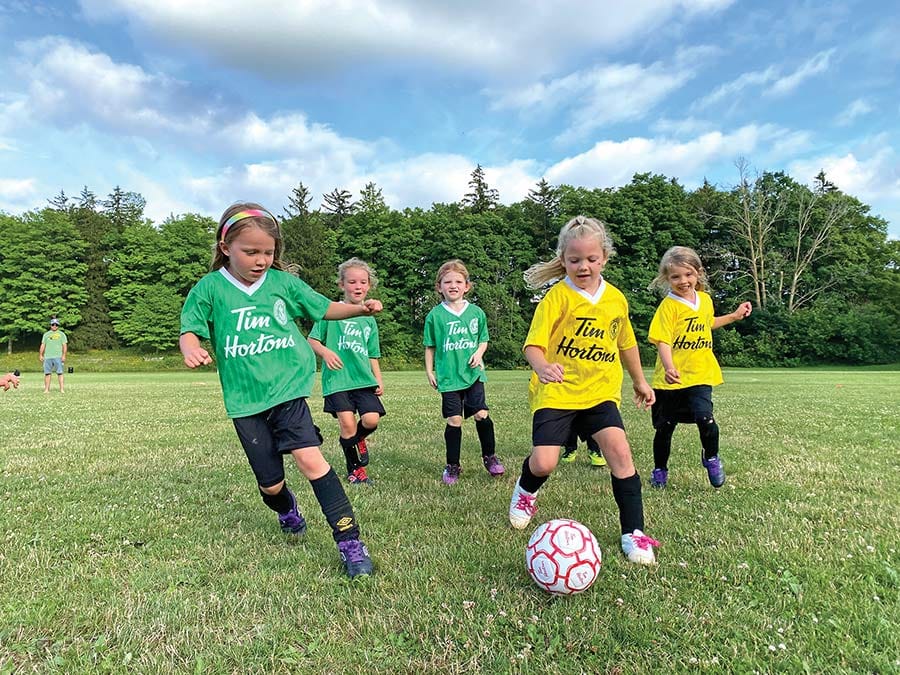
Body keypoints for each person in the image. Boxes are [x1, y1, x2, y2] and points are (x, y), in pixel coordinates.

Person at [179, 202, 381, 579]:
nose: (261, 260)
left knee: (311, 460)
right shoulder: (210, 288)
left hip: (287, 388)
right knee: (271, 486)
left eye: (268, 252)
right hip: (244, 400)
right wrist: (190, 346)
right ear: (225, 247)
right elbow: (190, 327)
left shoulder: (282, 283)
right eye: (251, 252)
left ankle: (350, 542)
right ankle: (287, 509)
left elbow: (323, 308)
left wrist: (360, 310)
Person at [508, 215, 660, 565]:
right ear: (563, 260)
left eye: (591, 259)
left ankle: (634, 533)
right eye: (575, 259)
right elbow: (533, 346)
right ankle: (525, 490)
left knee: (620, 453)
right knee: (544, 463)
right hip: (557, 392)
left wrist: (639, 380)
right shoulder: (556, 298)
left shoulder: (616, 299)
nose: (583, 266)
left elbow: (626, 344)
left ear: (604, 257)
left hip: (599, 393)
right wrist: (542, 367)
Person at [647, 246, 752, 489]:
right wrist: (669, 367)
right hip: (671, 380)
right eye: (675, 276)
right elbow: (662, 340)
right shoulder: (668, 307)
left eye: (688, 274)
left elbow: (708, 322)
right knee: (665, 428)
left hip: (700, 374)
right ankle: (660, 470)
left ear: (699, 273)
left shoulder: (704, 300)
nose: (683, 281)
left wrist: (734, 316)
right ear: (667, 278)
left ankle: (711, 457)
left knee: (706, 419)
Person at [424, 259, 505, 485]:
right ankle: (452, 465)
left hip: (473, 374)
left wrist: (479, 353)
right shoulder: (435, 316)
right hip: (449, 377)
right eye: (447, 282)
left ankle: (490, 457)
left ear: (466, 286)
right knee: (455, 420)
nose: (453, 285)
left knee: (481, 414)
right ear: (439, 287)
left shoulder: (476, 313)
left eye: (458, 281)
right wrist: (429, 371)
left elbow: (483, 340)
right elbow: (430, 346)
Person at [308, 258, 385, 486]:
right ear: (342, 285)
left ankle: (357, 440)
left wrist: (378, 379)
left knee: (371, 420)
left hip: (363, 380)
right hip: (338, 380)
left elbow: (373, 354)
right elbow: (312, 340)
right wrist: (326, 353)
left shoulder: (369, 320)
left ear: (369, 285)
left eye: (363, 282)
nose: (357, 286)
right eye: (352, 282)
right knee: (347, 425)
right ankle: (355, 470)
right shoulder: (331, 312)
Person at [40, 317, 67, 393]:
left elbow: (64, 345)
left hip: (58, 356)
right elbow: (43, 345)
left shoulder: (62, 334)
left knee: (60, 373)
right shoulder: (46, 334)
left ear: (58, 326)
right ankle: (46, 389)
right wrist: (41, 354)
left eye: (56, 325)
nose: (54, 326)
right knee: (47, 373)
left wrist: (64, 355)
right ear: (50, 325)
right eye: (53, 324)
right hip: (48, 357)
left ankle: (62, 389)